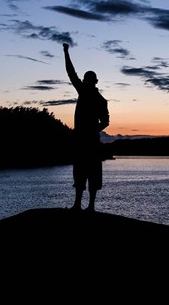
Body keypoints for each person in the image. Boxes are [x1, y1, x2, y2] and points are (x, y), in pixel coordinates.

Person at [63, 43, 110, 212]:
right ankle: (81, 205)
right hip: (85, 140)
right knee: (83, 172)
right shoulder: (92, 95)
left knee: (89, 172)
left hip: (88, 140)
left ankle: (87, 206)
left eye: (85, 80)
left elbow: (105, 121)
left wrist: (92, 130)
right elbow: (105, 122)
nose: (83, 82)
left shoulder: (94, 97)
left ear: (90, 82)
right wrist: (66, 53)